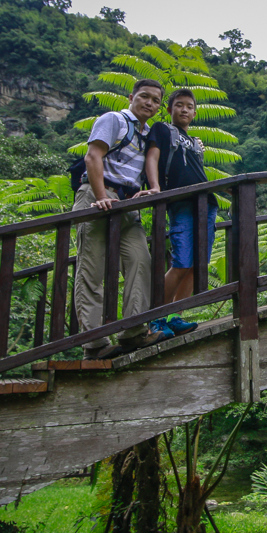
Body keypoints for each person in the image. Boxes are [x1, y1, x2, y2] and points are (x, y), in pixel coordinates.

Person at [73, 79, 173, 360]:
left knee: (140, 261)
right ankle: (94, 343)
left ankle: (133, 331)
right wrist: (101, 194)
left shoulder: (148, 135)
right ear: (131, 97)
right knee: (91, 268)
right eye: (144, 97)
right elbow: (93, 156)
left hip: (128, 205)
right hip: (96, 196)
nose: (149, 103)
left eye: (155, 100)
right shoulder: (114, 120)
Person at [147, 88, 219, 336]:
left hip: (206, 203)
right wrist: (155, 187)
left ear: (195, 112)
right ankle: (156, 317)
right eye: (179, 105)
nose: (184, 109)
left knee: (197, 265)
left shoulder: (195, 142)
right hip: (181, 203)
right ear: (169, 109)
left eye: (189, 106)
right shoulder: (162, 129)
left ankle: (176, 315)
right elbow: (153, 157)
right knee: (181, 261)